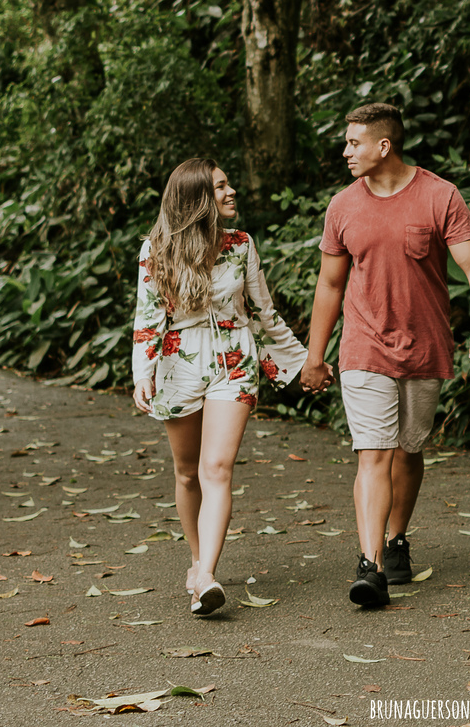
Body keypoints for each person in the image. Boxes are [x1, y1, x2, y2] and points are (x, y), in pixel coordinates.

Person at [299, 103, 470, 608]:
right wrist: (315, 355)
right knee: (374, 452)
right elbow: (329, 284)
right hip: (363, 345)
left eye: (354, 143)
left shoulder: (439, 195)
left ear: (383, 146)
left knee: (409, 449)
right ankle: (370, 566)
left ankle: (396, 541)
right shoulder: (343, 206)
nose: (346, 152)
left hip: (424, 346)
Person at [131, 158, 330, 616]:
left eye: (228, 184)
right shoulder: (156, 250)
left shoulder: (241, 245)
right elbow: (148, 316)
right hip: (179, 364)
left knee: (216, 468)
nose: (231, 191)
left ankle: (206, 575)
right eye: (220, 187)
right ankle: (196, 558)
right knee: (187, 472)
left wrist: (306, 363)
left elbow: (264, 313)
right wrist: (143, 373)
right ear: (198, 198)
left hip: (234, 362)